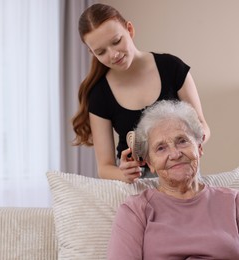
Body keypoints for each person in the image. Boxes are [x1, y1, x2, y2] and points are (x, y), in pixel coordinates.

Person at [107, 100, 239, 259]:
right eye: (161, 148)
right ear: (150, 164)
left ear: (199, 148)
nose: (175, 154)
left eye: (182, 141)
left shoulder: (235, 201)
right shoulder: (135, 210)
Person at [72, 3, 210, 183]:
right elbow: (104, 167)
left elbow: (202, 127)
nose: (113, 54)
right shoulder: (99, 94)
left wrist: (186, 148)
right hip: (138, 183)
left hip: (181, 171)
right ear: (92, 53)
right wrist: (125, 173)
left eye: (116, 41)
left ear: (129, 29)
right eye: (101, 52)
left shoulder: (172, 68)